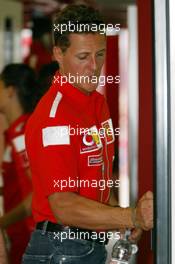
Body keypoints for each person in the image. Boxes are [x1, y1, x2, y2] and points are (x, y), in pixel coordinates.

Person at [23, 5, 153, 264]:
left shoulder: (97, 103)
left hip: (89, 245)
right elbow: (63, 206)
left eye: (100, 54)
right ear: (58, 54)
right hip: (60, 250)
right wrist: (130, 216)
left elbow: (99, 179)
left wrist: (117, 219)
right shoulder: (54, 118)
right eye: (83, 57)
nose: (94, 67)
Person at [0, 64, 41, 263]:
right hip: (20, 235)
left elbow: (39, 191)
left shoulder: (22, 133)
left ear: (10, 90)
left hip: (28, 235)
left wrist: (2, 222)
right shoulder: (16, 131)